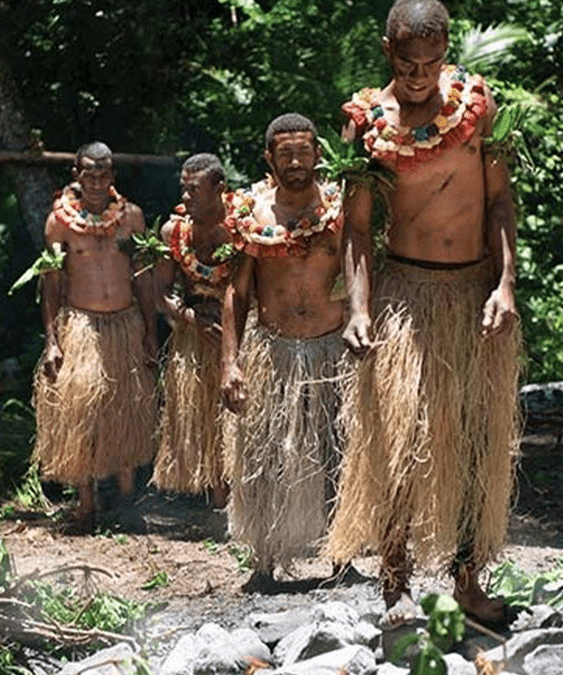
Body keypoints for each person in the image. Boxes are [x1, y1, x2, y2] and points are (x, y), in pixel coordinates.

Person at [323, 0, 522, 627]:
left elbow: (500, 203)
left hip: (473, 294)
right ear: (388, 50)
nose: (418, 76)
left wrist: (506, 285)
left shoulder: (477, 106)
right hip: (405, 295)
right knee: (400, 442)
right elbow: (356, 228)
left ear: (446, 53)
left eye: (431, 63)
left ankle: (467, 582)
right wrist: (358, 308)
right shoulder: (366, 121)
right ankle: (395, 584)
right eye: (407, 64)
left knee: (473, 441)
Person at [220, 113, 347, 589]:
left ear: (318, 154)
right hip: (272, 350)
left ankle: (343, 556)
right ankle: (264, 561)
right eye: (286, 154)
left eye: (304, 152)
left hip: (332, 350)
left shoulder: (340, 208)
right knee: (266, 457)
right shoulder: (251, 213)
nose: (296, 162)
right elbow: (237, 293)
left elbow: (361, 271)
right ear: (269, 158)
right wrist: (230, 363)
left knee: (339, 451)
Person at [33, 142, 158, 532]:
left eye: (104, 175)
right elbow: (51, 284)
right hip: (80, 325)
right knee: (80, 413)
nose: (97, 182)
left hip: (125, 324)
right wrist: (52, 340)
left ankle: (126, 504)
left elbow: (144, 277)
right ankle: (86, 507)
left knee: (125, 411)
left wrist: (150, 332)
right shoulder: (60, 222)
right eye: (90, 174)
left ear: (113, 176)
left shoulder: (131, 218)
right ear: (77, 175)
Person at [152, 154, 239, 507]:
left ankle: (242, 502)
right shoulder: (173, 232)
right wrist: (193, 320)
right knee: (204, 418)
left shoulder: (242, 227)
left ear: (220, 188)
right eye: (183, 189)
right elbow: (161, 294)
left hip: (238, 332)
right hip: (194, 333)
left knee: (236, 415)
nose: (186, 197)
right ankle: (217, 503)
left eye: (195, 190)